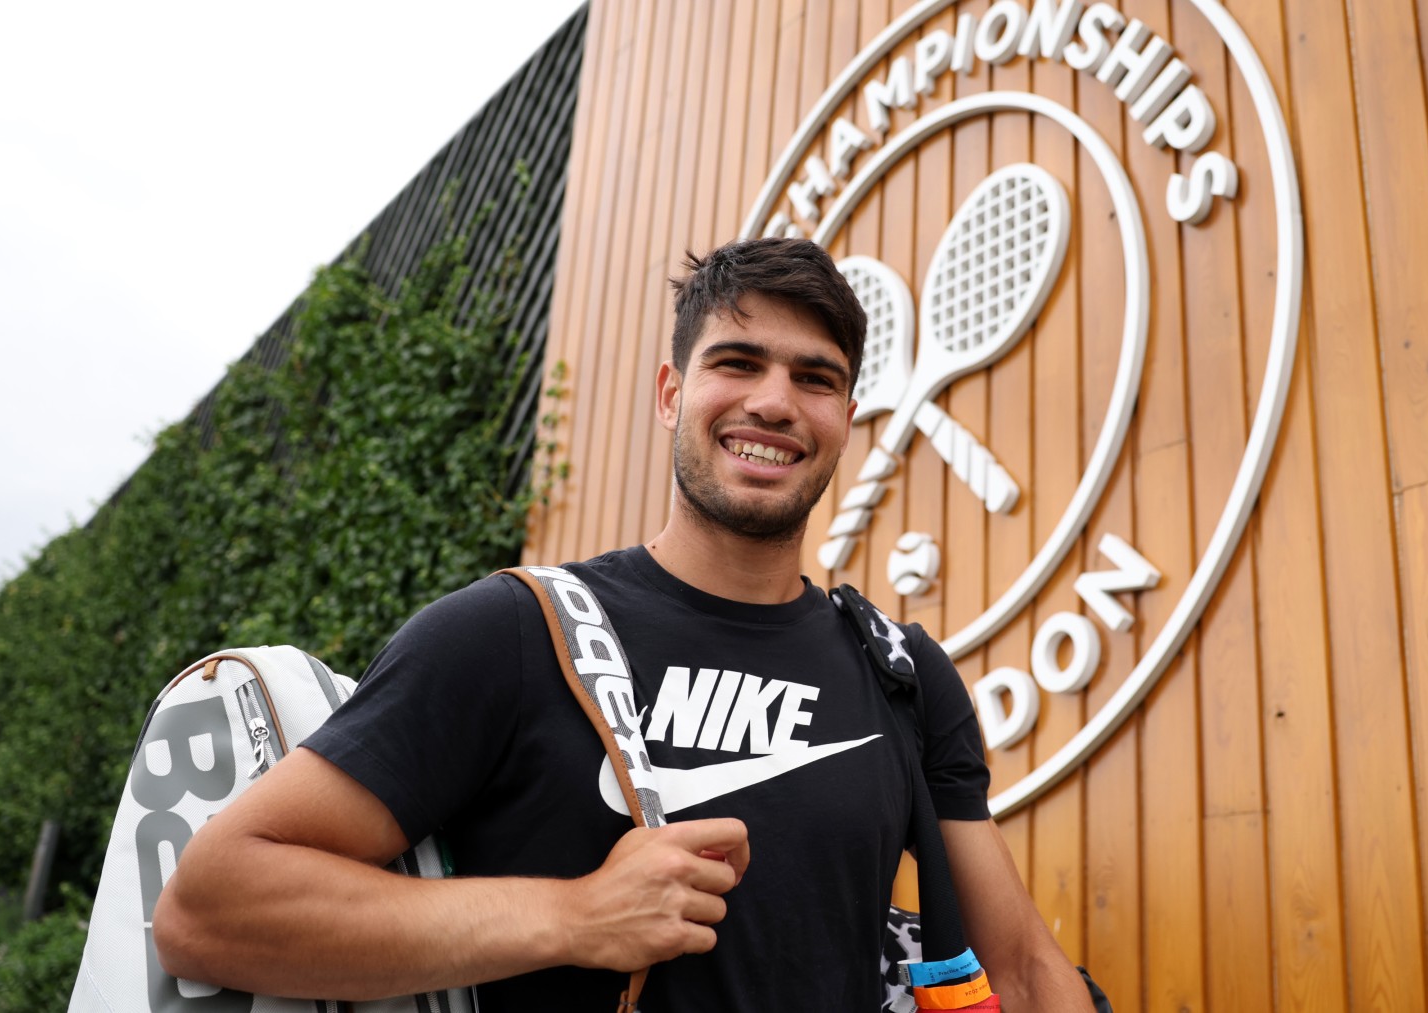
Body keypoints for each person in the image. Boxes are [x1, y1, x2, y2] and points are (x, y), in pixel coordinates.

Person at [155, 237, 1088, 1009]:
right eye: (736, 362)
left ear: (846, 418)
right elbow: (210, 907)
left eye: (814, 378)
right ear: (671, 393)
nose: (773, 400)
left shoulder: (900, 671)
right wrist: (576, 916)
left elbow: (1025, 970)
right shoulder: (513, 632)